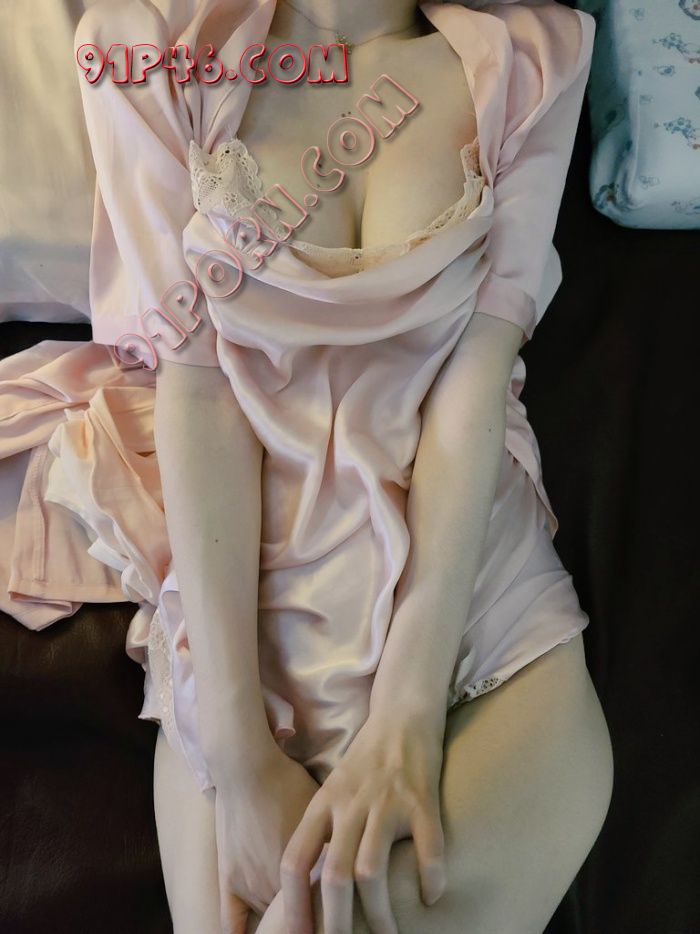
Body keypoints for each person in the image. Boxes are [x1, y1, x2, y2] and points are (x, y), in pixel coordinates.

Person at [0, 0, 613, 931]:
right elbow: (197, 389)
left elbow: (475, 384)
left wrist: (407, 716)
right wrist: (241, 753)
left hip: (476, 617)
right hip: (250, 637)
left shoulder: (537, 58)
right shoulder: (144, 53)